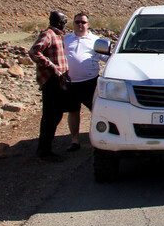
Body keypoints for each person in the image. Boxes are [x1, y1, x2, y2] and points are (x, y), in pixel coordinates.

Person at [62, 12, 108, 152]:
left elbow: (106, 58)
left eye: (83, 22)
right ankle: (75, 140)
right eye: (77, 22)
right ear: (73, 24)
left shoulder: (96, 40)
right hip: (70, 83)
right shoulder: (65, 39)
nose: (80, 25)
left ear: (88, 24)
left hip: (90, 83)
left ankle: (99, 138)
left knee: (96, 111)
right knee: (73, 111)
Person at [28, 11, 70, 162]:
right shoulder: (48, 34)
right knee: (50, 116)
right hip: (51, 80)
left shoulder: (57, 35)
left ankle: (46, 148)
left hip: (58, 80)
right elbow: (34, 52)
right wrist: (51, 66)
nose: (65, 22)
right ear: (58, 22)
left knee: (56, 114)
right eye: (64, 20)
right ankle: (44, 151)